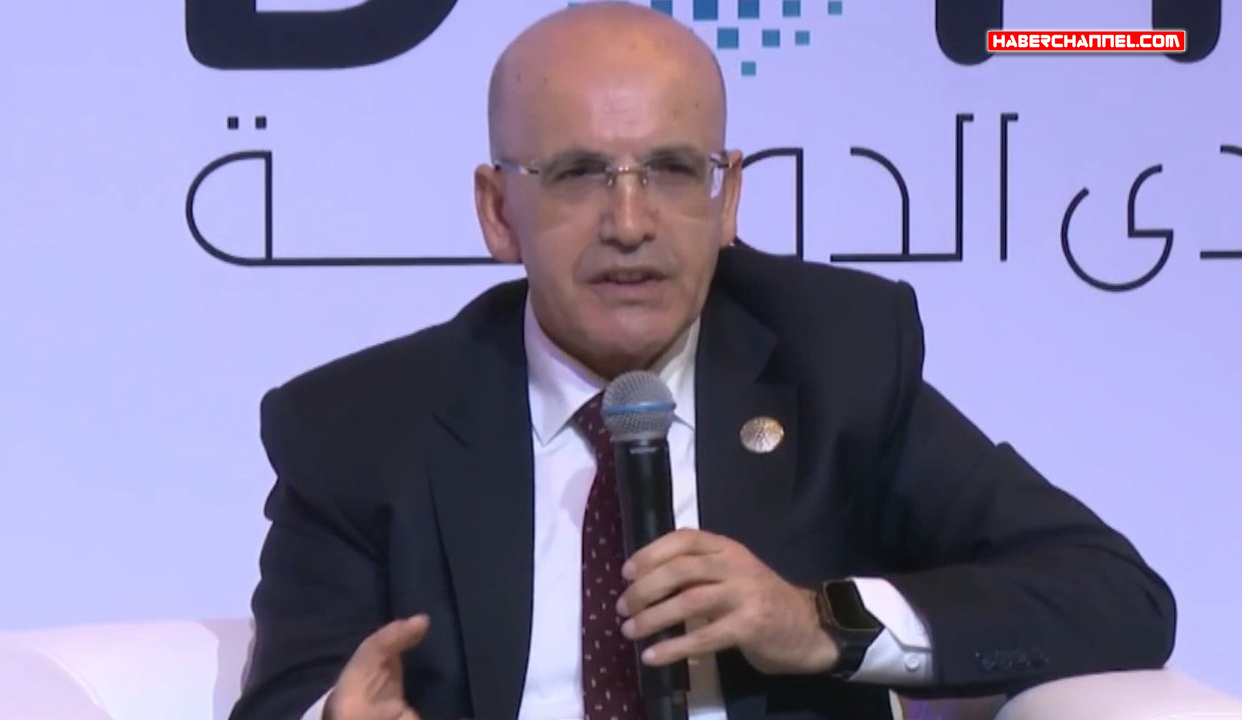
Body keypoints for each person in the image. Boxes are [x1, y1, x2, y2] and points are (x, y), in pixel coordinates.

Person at [227, 3, 1177, 720]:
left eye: (674, 171)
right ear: (497, 211)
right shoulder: (361, 429)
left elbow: (1112, 595)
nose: (630, 223)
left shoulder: (834, 362)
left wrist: (818, 621)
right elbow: (288, 697)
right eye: (579, 174)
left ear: (727, 202)